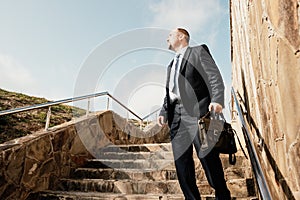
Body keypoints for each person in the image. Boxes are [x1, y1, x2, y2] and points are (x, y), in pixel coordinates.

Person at [157, 28, 231, 200]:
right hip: (176, 117)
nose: (167, 37)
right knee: (182, 165)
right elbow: (169, 92)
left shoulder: (198, 51)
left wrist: (218, 99)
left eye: (171, 34)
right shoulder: (170, 65)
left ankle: (223, 196)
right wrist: (163, 110)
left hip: (199, 113)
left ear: (182, 36)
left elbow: (214, 76)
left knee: (209, 159)